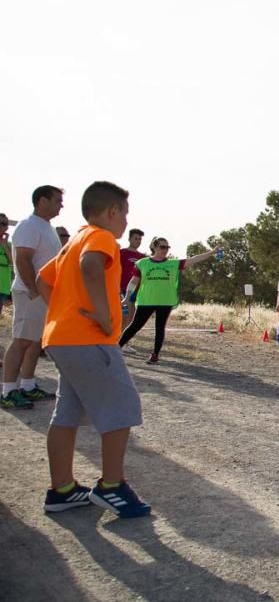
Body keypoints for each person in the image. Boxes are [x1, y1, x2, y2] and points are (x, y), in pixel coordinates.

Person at [36, 180, 151, 517]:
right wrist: (102, 313)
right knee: (123, 404)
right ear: (112, 212)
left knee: (67, 412)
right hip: (89, 340)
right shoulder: (100, 237)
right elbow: (90, 266)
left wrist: (63, 312)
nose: (126, 222)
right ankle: (111, 486)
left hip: (61, 338)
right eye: (125, 214)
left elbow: (43, 281)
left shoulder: (73, 240)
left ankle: (62, 490)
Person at [1, 186, 63, 410]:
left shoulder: (46, 227)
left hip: (42, 294)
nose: (61, 205)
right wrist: (34, 291)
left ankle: (28, 385)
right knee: (22, 341)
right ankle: (8, 391)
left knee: (35, 342)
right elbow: (23, 260)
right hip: (30, 293)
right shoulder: (28, 225)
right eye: (57, 201)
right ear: (42, 201)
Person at [118, 237, 220, 364]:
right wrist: (127, 297)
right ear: (154, 247)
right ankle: (117, 348)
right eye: (162, 247)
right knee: (135, 326)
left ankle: (155, 355)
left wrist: (211, 252)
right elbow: (133, 281)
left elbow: (193, 260)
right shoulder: (143, 263)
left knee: (160, 328)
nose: (165, 250)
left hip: (165, 301)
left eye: (167, 247)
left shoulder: (173, 263)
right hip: (146, 300)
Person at [119, 228, 146, 335]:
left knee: (131, 318)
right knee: (124, 316)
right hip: (123, 289)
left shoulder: (142, 257)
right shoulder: (122, 253)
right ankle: (118, 341)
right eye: (136, 238)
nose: (138, 241)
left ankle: (125, 342)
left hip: (137, 291)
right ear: (129, 239)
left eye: (140, 239)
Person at [0, 214, 11, 371]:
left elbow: (11, 260)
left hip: (2, 288)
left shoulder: (6, 244)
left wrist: (3, 243)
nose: (3, 226)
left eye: (5, 224)